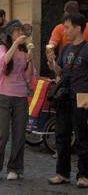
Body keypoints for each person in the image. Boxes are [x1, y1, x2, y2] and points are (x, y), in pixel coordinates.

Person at [0, 19, 34, 181]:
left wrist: (31, 60)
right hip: (4, 94)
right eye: (18, 31)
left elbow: (29, 76)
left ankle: (15, 168)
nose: (21, 33)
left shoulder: (24, 50)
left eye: (22, 31)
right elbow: (3, 62)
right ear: (11, 34)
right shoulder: (1, 48)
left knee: (19, 134)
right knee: (2, 133)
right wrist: (15, 45)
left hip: (20, 95)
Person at [46, 13, 88, 188]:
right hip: (64, 96)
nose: (65, 31)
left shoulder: (87, 48)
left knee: (82, 137)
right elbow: (59, 72)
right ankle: (62, 173)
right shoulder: (65, 48)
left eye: (67, 27)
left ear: (78, 28)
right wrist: (52, 63)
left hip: (81, 97)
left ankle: (84, 175)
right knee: (61, 135)